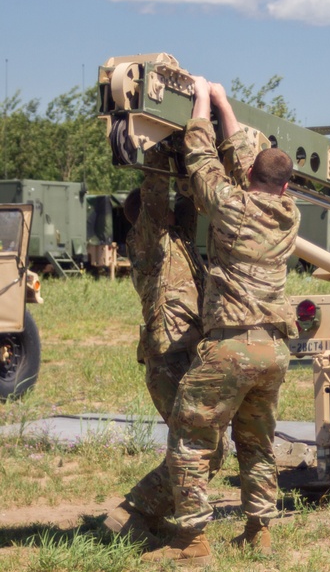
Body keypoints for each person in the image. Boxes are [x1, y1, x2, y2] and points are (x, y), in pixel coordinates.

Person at [142, 77, 300, 565]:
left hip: (231, 346)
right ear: (286, 185)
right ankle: (260, 532)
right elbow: (231, 159)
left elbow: (201, 158)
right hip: (274, 352)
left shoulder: (231, 207)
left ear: (249, 173)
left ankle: (191, 542)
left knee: (190, 439)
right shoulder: (290, 214)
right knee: (257, 442)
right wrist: (226, 104)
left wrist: (200, 105)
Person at [103, 151, 225, 545]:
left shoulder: (179, 240)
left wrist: (184, 153)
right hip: (167, 358)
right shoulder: (147, 238)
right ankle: (133, 513)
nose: (172, 209)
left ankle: (147, 516)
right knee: (201, 447)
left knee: (209, 447)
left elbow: (188, 203)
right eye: (164, 209)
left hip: (189, 354)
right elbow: (156, 194)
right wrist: (156, 152)